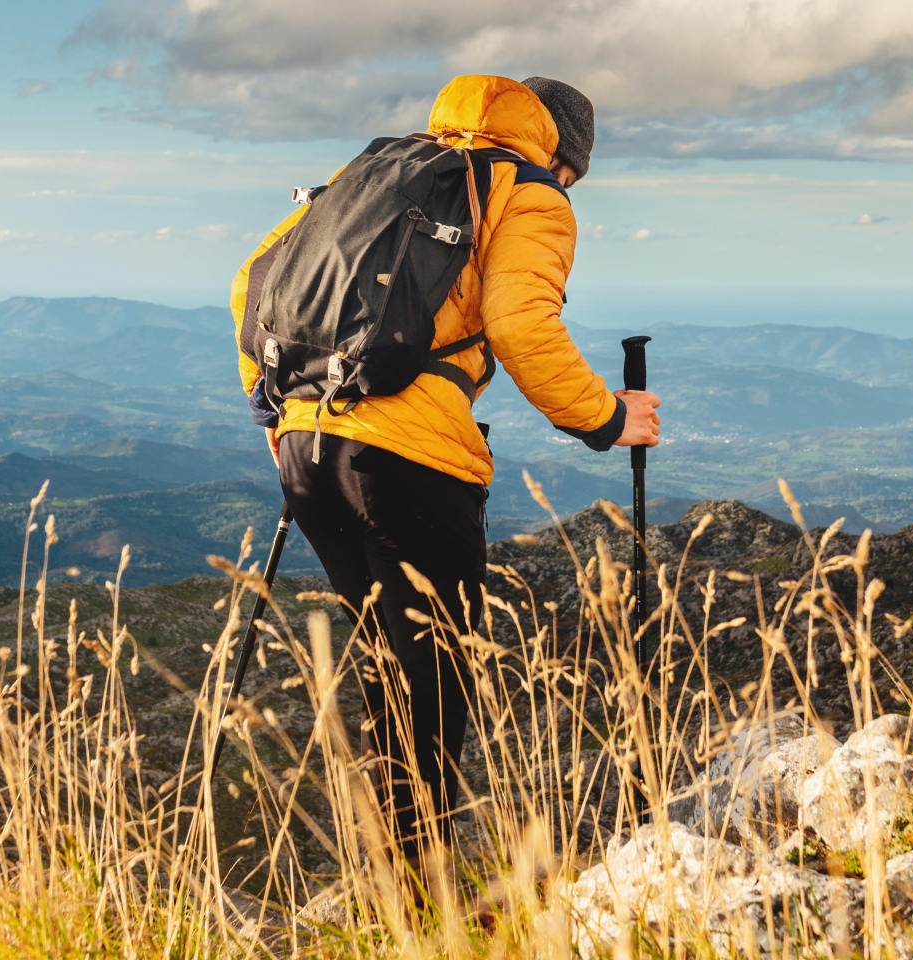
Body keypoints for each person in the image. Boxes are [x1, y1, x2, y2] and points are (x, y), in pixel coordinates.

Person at [230, 75, 661, 859]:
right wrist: (605, 417)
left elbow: (252, 283)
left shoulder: (377, 174)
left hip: (306, 449)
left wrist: (277, 412)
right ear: (560, 154)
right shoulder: (524, 189)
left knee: (391, 667)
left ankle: (395, 885)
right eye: (572, 176)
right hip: (411, 454)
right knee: (433, 680)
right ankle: (424, 900)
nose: (567, 189)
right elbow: (519, 323)